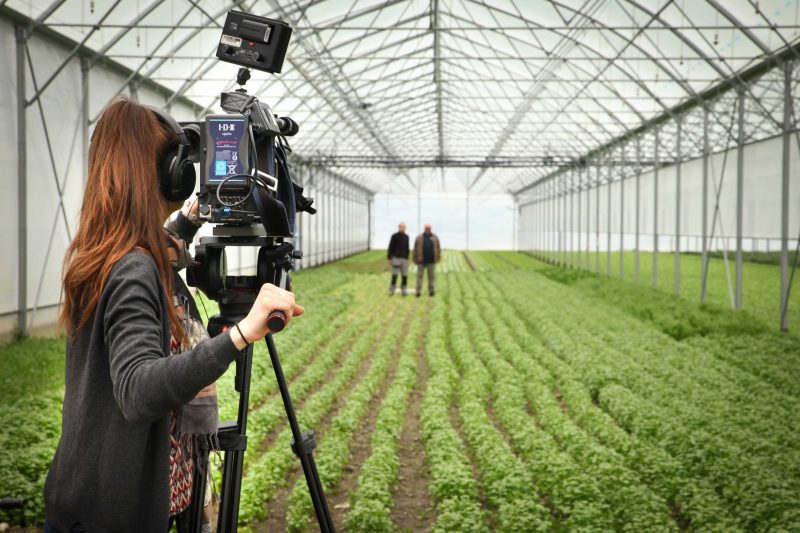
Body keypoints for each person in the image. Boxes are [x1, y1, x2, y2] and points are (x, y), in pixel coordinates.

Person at [44, 98, 304, 533]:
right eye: (179, 163)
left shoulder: (111, 250)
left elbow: (158, 252)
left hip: (89, 499)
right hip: (111, 517)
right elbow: (138, 389)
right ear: (165, 173)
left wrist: (189, 220)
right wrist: (240, 334)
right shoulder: (134, 267)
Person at [413, 223, 441, 297]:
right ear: (424, 228)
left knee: (431, 277)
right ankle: (418, 291)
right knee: (419, 277)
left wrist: (438, 258)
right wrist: (415, 259)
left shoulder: (435, 237)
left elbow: (438, 248)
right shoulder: (419, 237)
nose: (428, 229)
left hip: (431, 261)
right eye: (426, 228)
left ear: (431, 229)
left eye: (429, 228)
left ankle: (431, 291)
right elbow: (415, 248)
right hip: (421, 261)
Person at [386, 222, 410, 296]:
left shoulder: (407, 237)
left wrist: (407, 257)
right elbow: (390, 247)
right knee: (394, 275)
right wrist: (389, 258)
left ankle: (404, 290)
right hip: (396, 258)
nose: (403, 228)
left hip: (405, 259)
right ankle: (392, 290)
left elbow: (407, 248)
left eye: (404, 227)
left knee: (404, 275)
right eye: (401, 227)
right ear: (399, 227)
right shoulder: (394, 236)